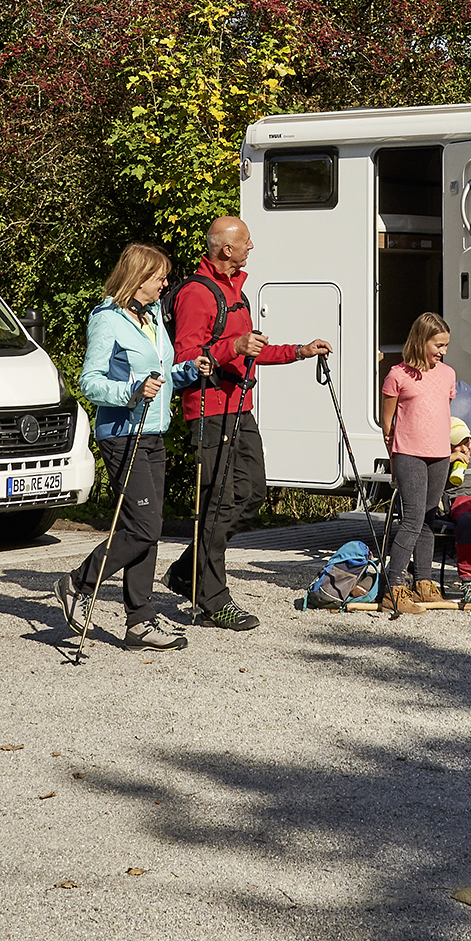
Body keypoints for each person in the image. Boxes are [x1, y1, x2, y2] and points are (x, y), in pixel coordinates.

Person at [163, 214, 328, 631]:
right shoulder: (197, 294)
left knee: (252, 494)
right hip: (209, 408)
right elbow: (186, 359)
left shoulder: (236, 291)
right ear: (225, 249)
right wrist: (230, 346)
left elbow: (249, 352)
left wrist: (299, 351)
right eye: (246, 243)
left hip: (239, 406)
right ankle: (212, 597)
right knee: (217, 502)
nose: (251, 248)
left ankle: (187, 570)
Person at [59, 243, 212, 650]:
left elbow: (158, 375)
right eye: (159, 277)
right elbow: (89, 382)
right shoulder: (106, 320)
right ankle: (78, 583)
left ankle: (139, 621)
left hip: (154, 432)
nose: (165, 284)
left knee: (147, 530)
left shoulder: (152, 317)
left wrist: (186, 371)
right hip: (122, 433)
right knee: (144, 527)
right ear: (137, 277)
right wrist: (132, 389)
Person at [377, 313, 459, 620]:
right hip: (409, 452)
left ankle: (424, 582)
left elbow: (444, 413)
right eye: (438, 344)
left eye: (446, 345)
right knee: (411, 519)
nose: (443, 351)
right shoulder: (397, 374)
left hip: (439, 454)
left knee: (427, 517)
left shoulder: (447, 374)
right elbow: (388, 422)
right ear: (421, 341)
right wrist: (393, 455)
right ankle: (393, 584)